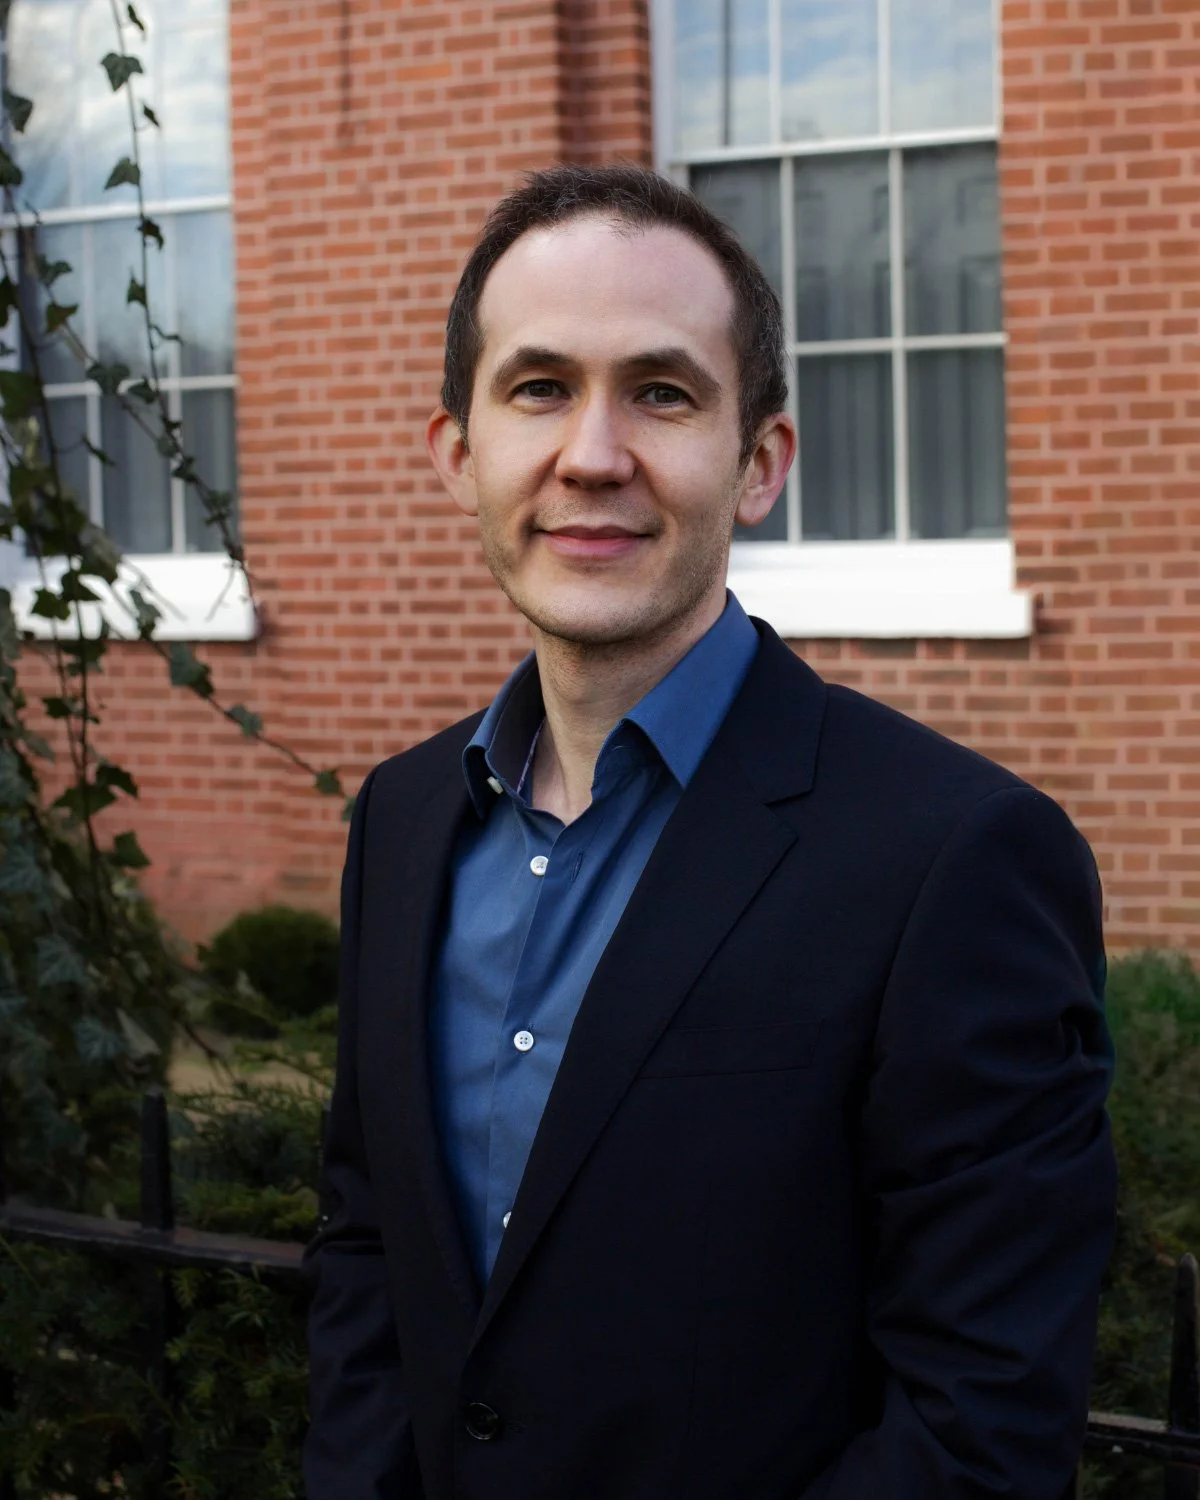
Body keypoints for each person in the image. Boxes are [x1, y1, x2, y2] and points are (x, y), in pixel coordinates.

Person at [303, 163, 1116, 1500]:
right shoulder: (400, 823)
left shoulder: (953, 861)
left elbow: (982, 1425)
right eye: (540, 388)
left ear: (761, 464)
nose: (595, 455)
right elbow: (369, 1256)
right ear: (458, 454)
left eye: (664, 393)